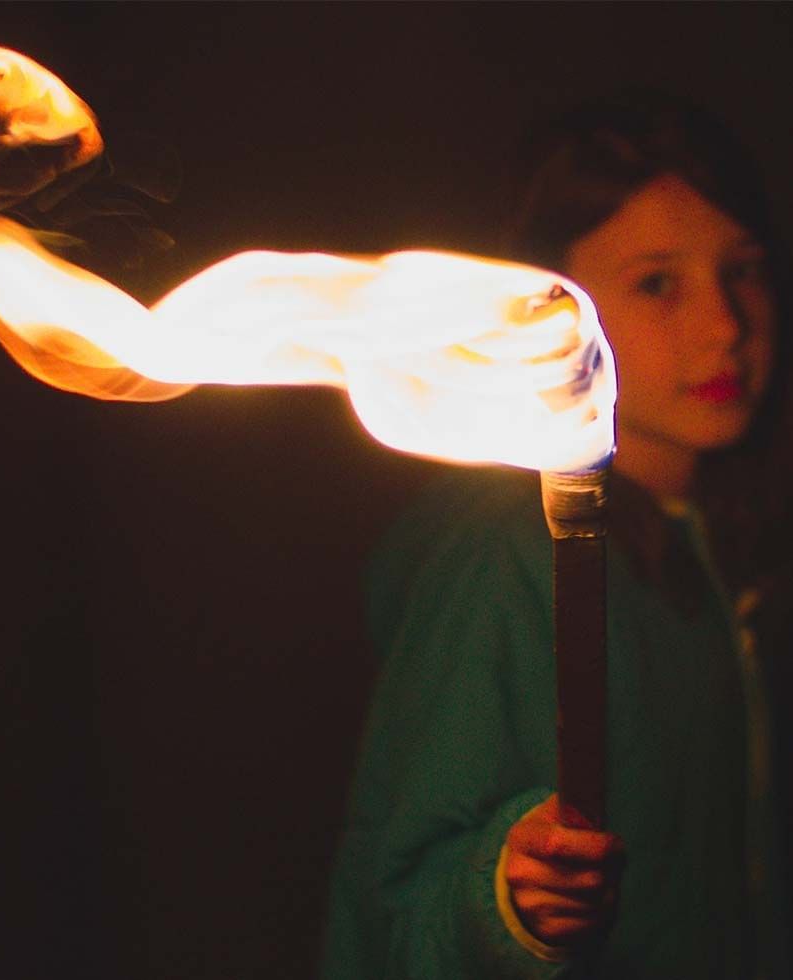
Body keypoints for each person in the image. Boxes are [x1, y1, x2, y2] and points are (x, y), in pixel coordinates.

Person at [322, 93, 792, 979]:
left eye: (748, 269)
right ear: (552, 316)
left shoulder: (741, 544)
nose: (726, 326)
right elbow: (393, 900)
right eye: (659, 283)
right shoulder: (501, 560)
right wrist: (508, 899)